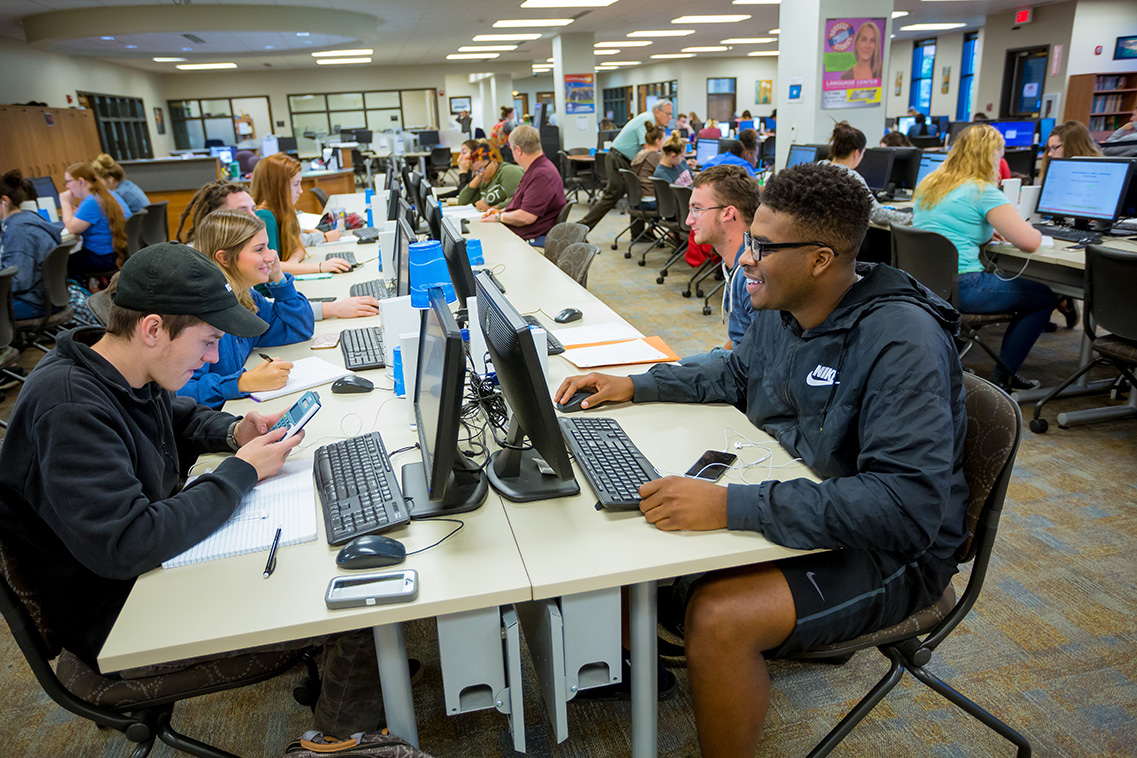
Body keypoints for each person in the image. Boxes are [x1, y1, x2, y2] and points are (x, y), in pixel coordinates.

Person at [553, 162, 968, 758]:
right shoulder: (785, 304)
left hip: (895, 551)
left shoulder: (902, 342)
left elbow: (903, 508)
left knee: (721, 619)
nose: (746, 257)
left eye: (764, 246)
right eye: (751, 239)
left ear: (821, 259)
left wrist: (730, 506)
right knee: (622, 528)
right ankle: (634, 662)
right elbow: (735, 371)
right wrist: (636, 384)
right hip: (806, 494)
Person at [0, 241, 383, 738]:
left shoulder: (124, 365)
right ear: (153, 327)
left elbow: (174, 414)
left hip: (149, 578)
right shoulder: (69, 410)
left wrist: (232, 432)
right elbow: (129, 542)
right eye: (206, 341)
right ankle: (342, 740)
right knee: (352, 606)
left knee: (319, 560)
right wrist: (242, 471)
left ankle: (369, 686)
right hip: (122, 618)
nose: (214, 356)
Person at [913, 123, 1053, 391]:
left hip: (927, 286)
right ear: (990, 156)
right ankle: (1004, 376)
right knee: (1044, 297)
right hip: (965, 286)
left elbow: (948, 226)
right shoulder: (981, 191)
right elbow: (1030, 242)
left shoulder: (930, 184)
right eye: (1000, 155)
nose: (1001, 161)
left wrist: (985, 234)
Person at [176, 180, 377, 321]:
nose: (255, 217)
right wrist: (333, 308)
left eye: (253, 209)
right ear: (217, 219)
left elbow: (263, 311)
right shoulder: (200, 274)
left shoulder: (245, 287)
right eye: (242, 211)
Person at [176, 210, 315, 409]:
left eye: (268, 246)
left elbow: (298, 329)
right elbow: (180, 391)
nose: (271, 256)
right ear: (224, 258)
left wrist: (279, 278)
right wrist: (242, 382)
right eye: (259, 250)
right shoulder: (201, 315)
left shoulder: (247, 298)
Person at [684, 164, 758, 349]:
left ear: (727, 213)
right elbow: (739, 341)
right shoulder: (735, 266)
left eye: (697, 209)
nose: (689, 220)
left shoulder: (753, 274)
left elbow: (756, 360)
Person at [250, 153, 351, 276]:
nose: (300, 190)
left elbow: (298, 246)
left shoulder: (284, 211)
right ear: (278, 186)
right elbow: (271, 266)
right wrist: (320, 267)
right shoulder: (264, 217)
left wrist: (292, 264)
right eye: (295, 184)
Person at [578, 100, 673, 231]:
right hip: (618, 158)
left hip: (625, 159)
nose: (670, 117)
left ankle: (639, 233)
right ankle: (581, 228)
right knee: (611, 196)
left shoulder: (651, 121)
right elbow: (648, 148)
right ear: (657, 112)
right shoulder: (647, 120)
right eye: (668, 114)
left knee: (637, 192)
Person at [481, 124, 566, 246]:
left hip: (532, 239)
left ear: (518, 150)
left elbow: (526, 217)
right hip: (525, 234)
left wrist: (499, 217)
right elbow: (520, 205)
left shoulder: (542, 175)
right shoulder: (535, 169)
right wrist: (498, 212)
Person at [820, 121, 912, 228]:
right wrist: (911, 217)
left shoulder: (820, 166)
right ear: (856, 153)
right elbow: (879, 216)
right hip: (839, 238)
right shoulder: (851, 177)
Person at [0, 169, 62, 319]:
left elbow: (18, 281)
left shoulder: (18, 231)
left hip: (32, 302)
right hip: (48, 298)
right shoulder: (28, 218)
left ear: (4, 201)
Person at [60, 162, 131, 278]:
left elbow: (69, 229)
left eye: (68, 181)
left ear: (81, 181)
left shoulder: (91, 201)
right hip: (117, 253)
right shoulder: (108, 194)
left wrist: (65, 202)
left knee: (61, 264)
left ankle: (77, 294)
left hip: (104, 257)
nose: (67, 186)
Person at [457, 144, 524, 211]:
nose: (480, 174)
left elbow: (521, 199)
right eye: (477, 171)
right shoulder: (483, 180)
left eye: (482, 168)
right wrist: (477, 178)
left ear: (494, 162)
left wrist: (492, 209)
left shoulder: (508, 171)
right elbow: (462, 202)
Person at [631, 122, 666, 208]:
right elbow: (666, 172)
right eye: (663, 140)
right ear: (658, 141)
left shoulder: (641, 154)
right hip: (651, 200)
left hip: (639, 199)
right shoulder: (655, 156)